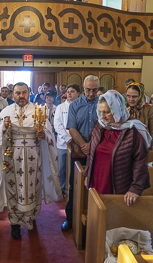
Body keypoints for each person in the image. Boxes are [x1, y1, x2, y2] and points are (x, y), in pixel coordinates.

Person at [0, 82, 62, 240]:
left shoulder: (37, 111)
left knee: (32, 189)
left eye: (24, 93)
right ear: (13, 94)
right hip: (12, 159)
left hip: (33, 159)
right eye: (17, 93)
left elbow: (50, 134)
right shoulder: (6, 111)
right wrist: (3, 126)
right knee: (14, 190)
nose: (21, 96)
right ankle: (14, 224)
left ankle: (30, 218)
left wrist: (43, 135)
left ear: (28, 93)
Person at [84, 90, 151, 205]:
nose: (102, 116)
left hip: (119, 184)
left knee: (113, 218)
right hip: (97, 180)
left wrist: (135, 189)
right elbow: (92, 152)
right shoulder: (100, 126)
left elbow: (140, 161)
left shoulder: (132, 130)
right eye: (100, 112)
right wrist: (88, 175)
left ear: (117, 109)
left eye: (107, 112)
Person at [62, 75, 99, 231]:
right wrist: (84, 145)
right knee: (74, 186)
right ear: (83, 88)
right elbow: (71, 128)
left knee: (95, 186)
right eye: (88, 90)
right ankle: (70, 219)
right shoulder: (75, 105)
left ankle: (94, 221)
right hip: (79, 151)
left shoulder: (103, 104)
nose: (91, 93)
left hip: (98, 151)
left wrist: (92, 145)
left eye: (94, 90)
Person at [54, 84, 80, 196]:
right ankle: (62, 190)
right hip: (63, 143)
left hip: (78, 143)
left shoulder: (81, 106)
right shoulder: (60, 107)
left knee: (75, 169)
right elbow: (57, 124)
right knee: (62, 168)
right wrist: (68, 137)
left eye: (72, 91)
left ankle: (74, 190)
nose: (69, 93)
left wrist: (76, 139)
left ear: (78, 94)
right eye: (68, 91)